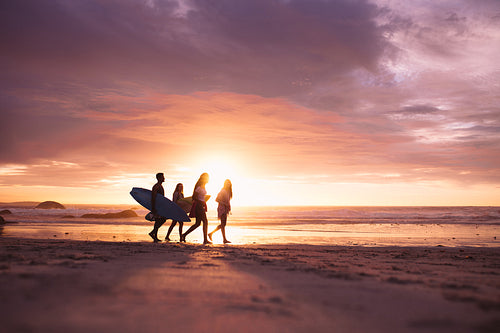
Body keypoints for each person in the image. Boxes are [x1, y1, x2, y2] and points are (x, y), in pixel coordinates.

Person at [181, 173, 211, 244]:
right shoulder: (199, 187)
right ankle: (205, 240)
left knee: (197, 223)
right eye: (206, 177)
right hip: (199, 206)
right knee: (205, 222)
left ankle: (184, 235)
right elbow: (194, 197)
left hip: (201, 206)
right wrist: (201, 203)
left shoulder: (203, 186)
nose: (208, 179)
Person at [209, 179, 232, 244]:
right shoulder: (223, 191)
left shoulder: (228, 191)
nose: (228, 184)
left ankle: (211, 234)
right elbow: (217, 199)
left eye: (229, 183)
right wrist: (225, 204)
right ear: (225, 184)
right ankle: (224, 239)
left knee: (223, 224)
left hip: (225, 208)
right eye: (227, 183)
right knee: (223, 224)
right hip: (221, 208)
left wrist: (229, 208)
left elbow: (228, 201)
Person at [149, 172, 166, 242]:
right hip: (157, 206)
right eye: (162, 177)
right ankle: (154, 235)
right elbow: (153, 197)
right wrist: (153, 207)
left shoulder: (160, 186)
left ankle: (153, 234)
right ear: (159, 178)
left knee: (161, 220)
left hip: (160, 206)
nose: (164, 178)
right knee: (158, 220)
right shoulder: (156, 186)